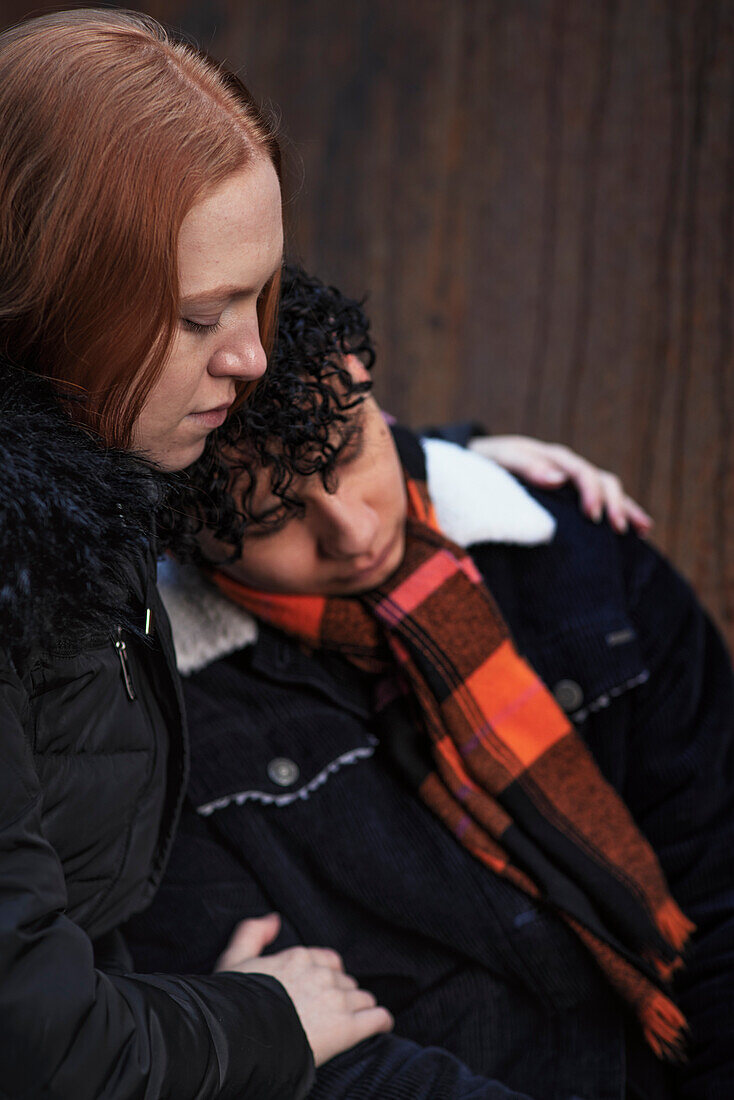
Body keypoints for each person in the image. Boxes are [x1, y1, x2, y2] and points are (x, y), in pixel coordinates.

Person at [127, 266, 734, 1100]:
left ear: (373, 397)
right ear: (190, 538)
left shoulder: (575, 555)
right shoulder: (161, 720)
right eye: (275, 519)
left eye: (351, 452)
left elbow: (720, 878)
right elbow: (313, 1062)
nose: (354, 531)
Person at [0, 13, 393, 1099]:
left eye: (255, 292)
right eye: (196, 314)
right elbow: (44, 1049)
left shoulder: (87, 467)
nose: (250, 354)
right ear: (52, 295)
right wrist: (256, 1019)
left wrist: (455, 467)